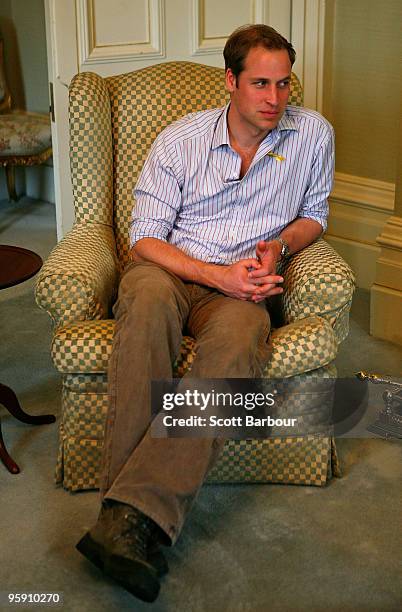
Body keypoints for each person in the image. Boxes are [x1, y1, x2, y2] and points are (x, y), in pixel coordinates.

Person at [76, 23, 334, 602]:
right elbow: (143, 238)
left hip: (242, 290)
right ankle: (134, 520)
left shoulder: (313, 135)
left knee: (241, 345)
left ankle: (124, 521)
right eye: (260, 84)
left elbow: (315, 213)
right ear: (231, 82)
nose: (274, 98)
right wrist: (213, 273)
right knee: (141, 305)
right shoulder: (179, 140)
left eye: (284, 84)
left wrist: (281, 247)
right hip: (170, 271)